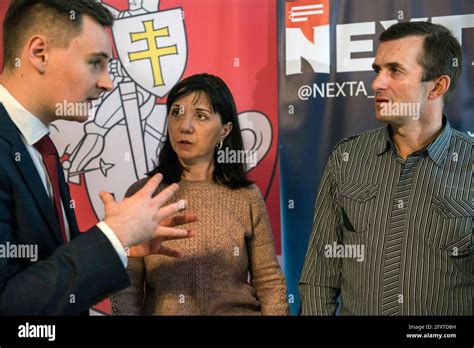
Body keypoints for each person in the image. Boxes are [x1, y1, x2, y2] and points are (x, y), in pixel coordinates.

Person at [0, 0, 196, 315]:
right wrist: (113, 235)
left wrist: (121, 246)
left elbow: (48, 272)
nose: (108, 82)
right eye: (95, 63)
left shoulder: (40, 148)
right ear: (39, 53)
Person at [299, 22, 472, 315]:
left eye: (395, 70)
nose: (377, 83)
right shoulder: (346, 159)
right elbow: (319, 277)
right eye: (377, 70)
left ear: (437, 87)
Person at [111, 73, 289, 315]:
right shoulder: (145, 194)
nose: (184, 126)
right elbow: (126, 287)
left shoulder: (246, 196)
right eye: (176, 112)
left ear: (225, 130)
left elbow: (268, 280)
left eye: (201, 116)